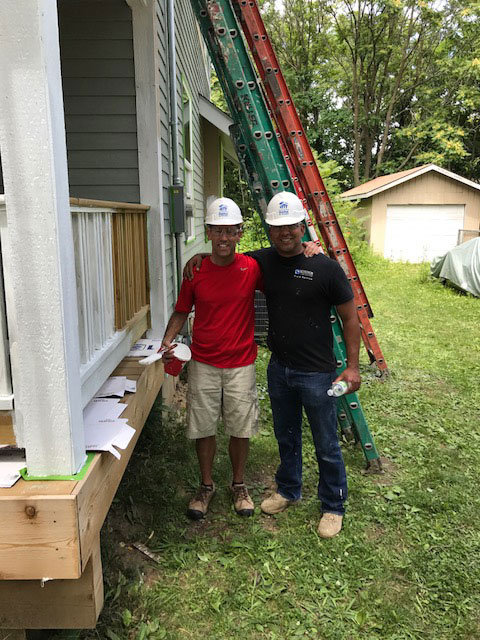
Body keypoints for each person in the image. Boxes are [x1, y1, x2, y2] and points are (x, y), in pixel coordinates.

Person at [185, 192, 360, 538]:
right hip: (279, 369)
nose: (285, 233)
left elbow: (350, 318)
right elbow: (226, 257)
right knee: (287, 436)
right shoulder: (262, 261)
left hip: (317, 371)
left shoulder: (324, 267)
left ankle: (333, 506)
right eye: (277, 227)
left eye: (291, 226)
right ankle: (288, 490)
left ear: (302, 226)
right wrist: (202, 256)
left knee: (325, 441)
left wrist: (352, 367)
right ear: (268, 229)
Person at [161, 197, 263, 520]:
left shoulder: (251, 268)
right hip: (203, 361)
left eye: (229, 232)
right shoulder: (196, 271)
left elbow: (284, 260)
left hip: (241, 363)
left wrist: (311, 249)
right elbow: (182, 309)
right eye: (216, 231)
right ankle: (206, 487)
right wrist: (167, 341)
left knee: (240, 427)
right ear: (207, 231)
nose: (222, 238)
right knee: (203, 427)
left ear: (239, 234)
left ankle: (239, 485)